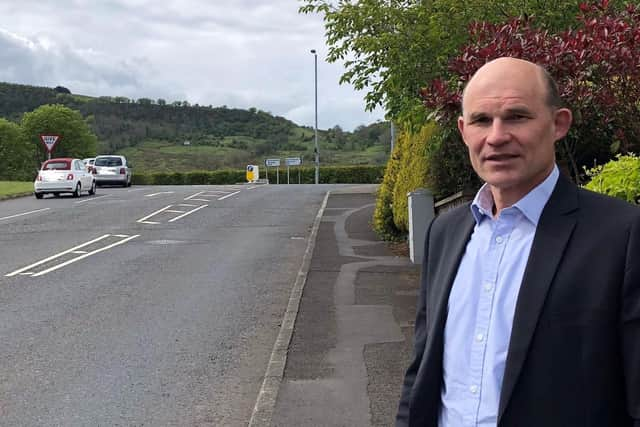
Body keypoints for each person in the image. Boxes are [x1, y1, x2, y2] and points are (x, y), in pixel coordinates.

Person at [396, 57, 640, 427]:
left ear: (558, 124)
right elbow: (422, 370)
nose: (496, 136)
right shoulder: (444, 232)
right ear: (464, 131)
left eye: (516, 117)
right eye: (481, 120)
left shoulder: (621, 235)